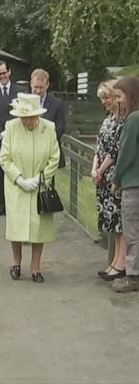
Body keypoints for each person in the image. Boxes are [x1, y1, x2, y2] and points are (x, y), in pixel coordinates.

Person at [0, 93, 59, 283]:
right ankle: (16, 262)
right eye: (24, 118)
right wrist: (20, 179)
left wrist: (41, 179)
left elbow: (54, 157)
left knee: (39, 227)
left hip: (40, 184)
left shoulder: (49, 128)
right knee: (17, 224)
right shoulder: (11, 127)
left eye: (31, 117)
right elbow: (5, 158)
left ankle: (36, 267)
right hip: (17, 184)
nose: (27, 121)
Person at [90, 80, 125, 281]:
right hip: (102, 176)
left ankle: (120, 264)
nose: (105, 102)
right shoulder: (108, 119)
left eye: (108, 98)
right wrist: (94, 168)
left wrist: (101, 171)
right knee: (112, 224)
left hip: (114, 176)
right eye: (102, 99)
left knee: (119, 224)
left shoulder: (123, 121)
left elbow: (114, 151)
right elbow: (99, 147)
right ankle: (114, 262)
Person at [0, 60, 25, 216]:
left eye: (4, 72)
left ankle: (15, 204)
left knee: (16, 171)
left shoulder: (20, 91)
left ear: (9, 72)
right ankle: (1, 205)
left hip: (17, 139)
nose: (2, 76)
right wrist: (0, 133)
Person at [111, 76, 139, 293]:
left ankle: (133, 276)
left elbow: (126, 153)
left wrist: (116, 178)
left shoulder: (133, 119)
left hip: (133, 183)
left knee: (133, 231)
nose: (117, 101)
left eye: (119, 96)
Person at [30, 68, 66, 168]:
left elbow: (60, 128)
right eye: (35, 87)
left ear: (47, 85)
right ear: (31, 84)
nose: (38, 91)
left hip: (49, 153)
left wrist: (44, 143)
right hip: (27, 153)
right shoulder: (24, 102)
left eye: (41, 88)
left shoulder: (57, 104)